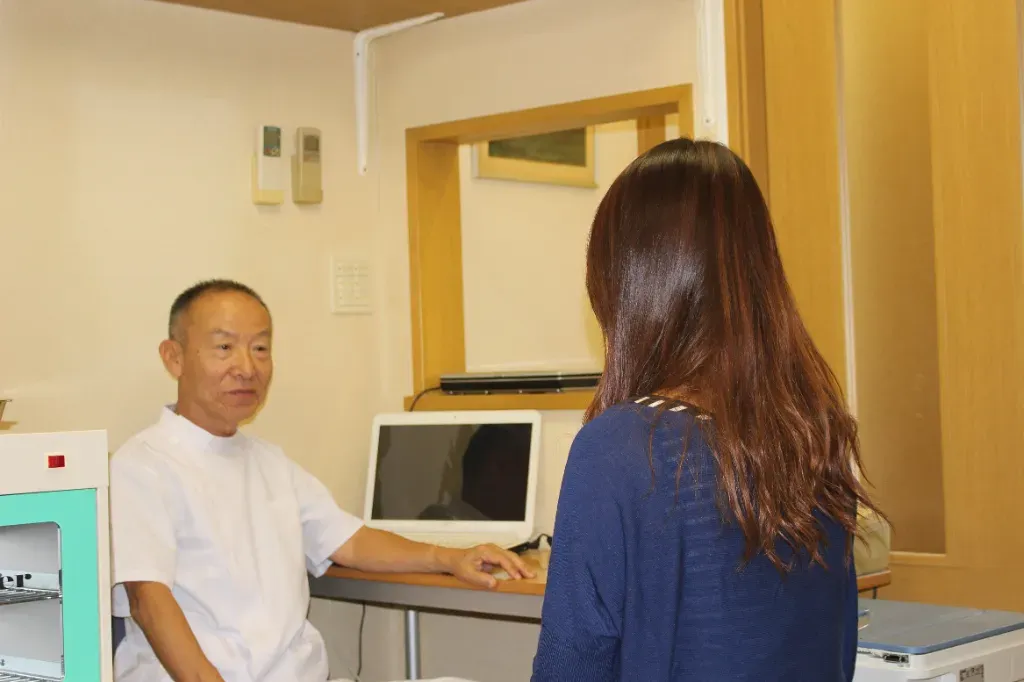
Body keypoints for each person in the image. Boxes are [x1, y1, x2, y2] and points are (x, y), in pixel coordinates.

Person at [531, 139, 883, 681]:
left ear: (629, 286)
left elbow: (569, 669)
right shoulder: (812, 434)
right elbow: (837, 651)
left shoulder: (622, 448)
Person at [109, 280, 532, 682]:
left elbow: (350, 541)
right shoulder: (143, 466)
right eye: (224, 347)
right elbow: (149, 600)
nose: (246, 367)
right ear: (174, 357)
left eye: (260, 348)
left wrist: (449, 558)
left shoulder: (269, 462)